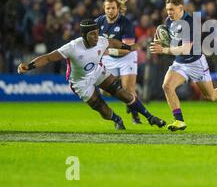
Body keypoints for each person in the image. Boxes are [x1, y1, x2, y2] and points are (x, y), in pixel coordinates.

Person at [17, 19, 166, 130]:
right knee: (100, 106)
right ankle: (117, 119)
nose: (96, 37)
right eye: (92, 34)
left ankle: (150, 117)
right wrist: (28, 66)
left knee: (122, 93)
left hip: (97, 71)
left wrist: (128, 47)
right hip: (79, 82)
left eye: (97, 33)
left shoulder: (101, 40)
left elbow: (112, 42)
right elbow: (48, 57)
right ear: (84, 35)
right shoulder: (72, 47)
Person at [149, 0, 217, 131]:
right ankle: (179, 121)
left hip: (196, 63)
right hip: (180, 63)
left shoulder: (190, 23)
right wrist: (160, 42)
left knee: (211, 96)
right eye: (167, 9)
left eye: (172, 9)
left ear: (181, 8)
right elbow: (169, 40)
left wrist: (164, 50)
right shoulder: (168, 21)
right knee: (167, 86)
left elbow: (186, 49)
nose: (169, 12)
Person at [95, 0, 141, 124]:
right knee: (105, 91)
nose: (110, 11)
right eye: (108, 8)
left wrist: (107, 51)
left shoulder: (126, 24)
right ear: (104, 9)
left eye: (113, 8)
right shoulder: (99, 22)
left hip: (127, 58)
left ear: (118, 9)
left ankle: (135, 116)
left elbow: (128, 49)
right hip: (109, 58)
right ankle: (125, 95)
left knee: (129, 90)